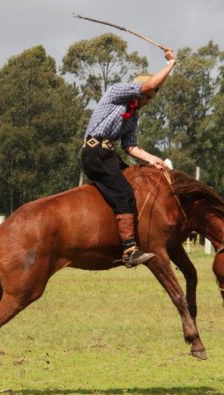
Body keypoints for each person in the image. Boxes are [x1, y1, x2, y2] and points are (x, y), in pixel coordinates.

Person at [81, 47, 176, 268]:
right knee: (124, 193)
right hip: (95, 154)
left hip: (109, 155)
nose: (148, 101)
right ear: (140, 91)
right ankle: (129, 251)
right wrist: (171, 64)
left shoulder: (133, 115)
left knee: (136, 186)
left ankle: (137, 237)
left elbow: (130, 146)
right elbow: (150, 84)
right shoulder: (117, 91)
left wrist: (152, 159)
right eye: (148, 97)